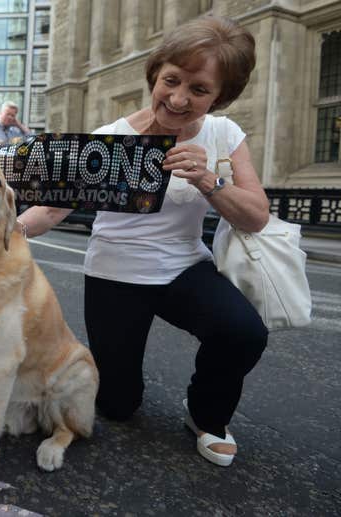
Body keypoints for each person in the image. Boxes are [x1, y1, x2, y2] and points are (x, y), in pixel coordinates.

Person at [17, 15, 269, 467]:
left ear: (220, 96)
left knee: (243, 332)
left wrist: (211, 182)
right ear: (155, 73)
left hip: (184, 267)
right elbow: (54, 209)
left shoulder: (224, 135)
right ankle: (109, 383)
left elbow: (257, 217)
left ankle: (207, 415)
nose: (177, 98)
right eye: (171, 80)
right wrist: (8, 233)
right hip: (115, 273)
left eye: (198, 90)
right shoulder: (110, 140)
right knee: (117, 405)